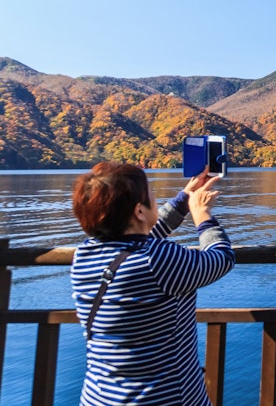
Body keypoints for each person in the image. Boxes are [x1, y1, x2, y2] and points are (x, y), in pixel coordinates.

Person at [71, 162, 235, 406]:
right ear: (139, 211)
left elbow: (135, 243)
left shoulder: (84, 256)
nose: (157, 199)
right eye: (152, 194)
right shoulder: (158, 259)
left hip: (100, 398)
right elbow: (221, 258)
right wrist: (202, 215)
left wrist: (184, 199)